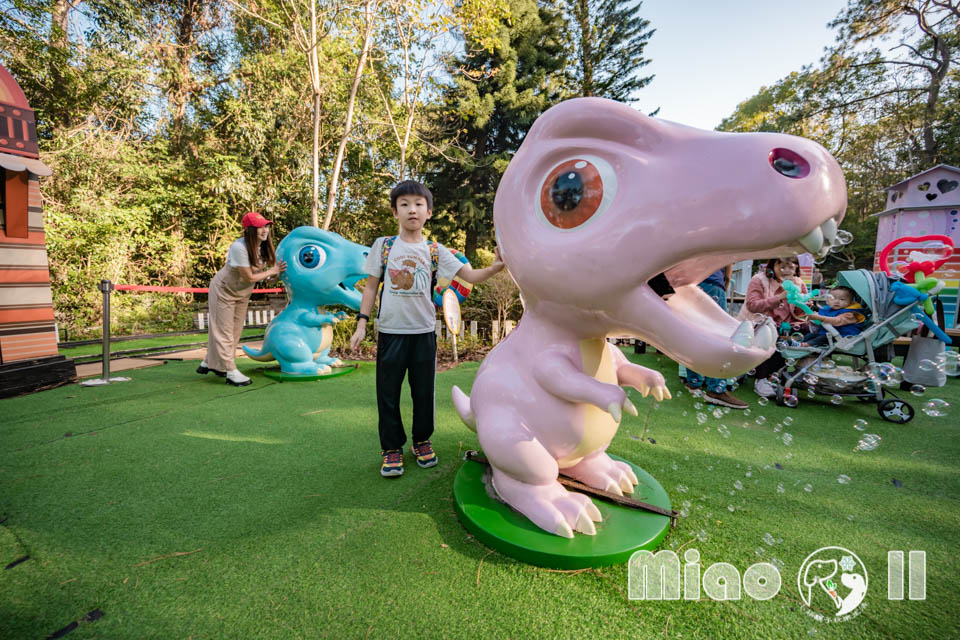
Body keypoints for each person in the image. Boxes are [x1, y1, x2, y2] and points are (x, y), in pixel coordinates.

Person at [349, 180, 505, 478]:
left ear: (429, 212)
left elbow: (470, 274)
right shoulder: (384, 246)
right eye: (405, 204)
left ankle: (422, 441)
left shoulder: (435, 250)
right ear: (395, 211)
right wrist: (361, 324)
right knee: (388, 394)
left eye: (419, 204)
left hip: (423, 334)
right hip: (392, 333)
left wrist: (497, 266)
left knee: (424, 393)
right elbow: (370, 288)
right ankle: (391, 448)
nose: (412, 210)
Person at [198, 212, 285, 386]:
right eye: (260, 227)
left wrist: (272, 276)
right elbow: (248, 277)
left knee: (235, 331)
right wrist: (271, 271)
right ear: (249, 230)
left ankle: (209, 362)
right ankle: (230, 371)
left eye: (266, 226)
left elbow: (261, 275)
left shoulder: (262, 248)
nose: (264, 230)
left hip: (241, 294)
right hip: (223, 291)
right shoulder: (239, 247)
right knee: (224, 331)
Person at [738, 256, 807, 397]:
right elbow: (753, 306)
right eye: (781, 265)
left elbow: (799, 313)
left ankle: (774, 373)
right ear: (772, 266)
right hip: (757, 323)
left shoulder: (799, 284)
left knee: (806, 330)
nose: (786, 269)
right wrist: (780, 297)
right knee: (769, 332)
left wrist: (805, 306)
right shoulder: (759, 279)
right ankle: (761, 380)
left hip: (787, 326)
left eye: (790, 266)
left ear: (796, 268)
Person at [683, 266, 748, 409]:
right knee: (718, 337)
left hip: (690, 283)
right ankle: (716, 389)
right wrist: (722, 286)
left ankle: (694, 383)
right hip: (712, 282)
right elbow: (728, 267)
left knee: (695, 334)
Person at [792, 286, 865, 347]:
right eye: (833, 298)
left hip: (843, 337)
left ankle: (805, 345)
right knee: (811, 335)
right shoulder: (830, 309)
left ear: (850, 302)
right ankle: (795, 342)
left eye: (842, 299)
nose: (836, 301)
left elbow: (837, 321)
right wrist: (814, 317)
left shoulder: (850, 313)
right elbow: (820, 322)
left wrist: (820, 318)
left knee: (824, 338)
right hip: (831, 334)